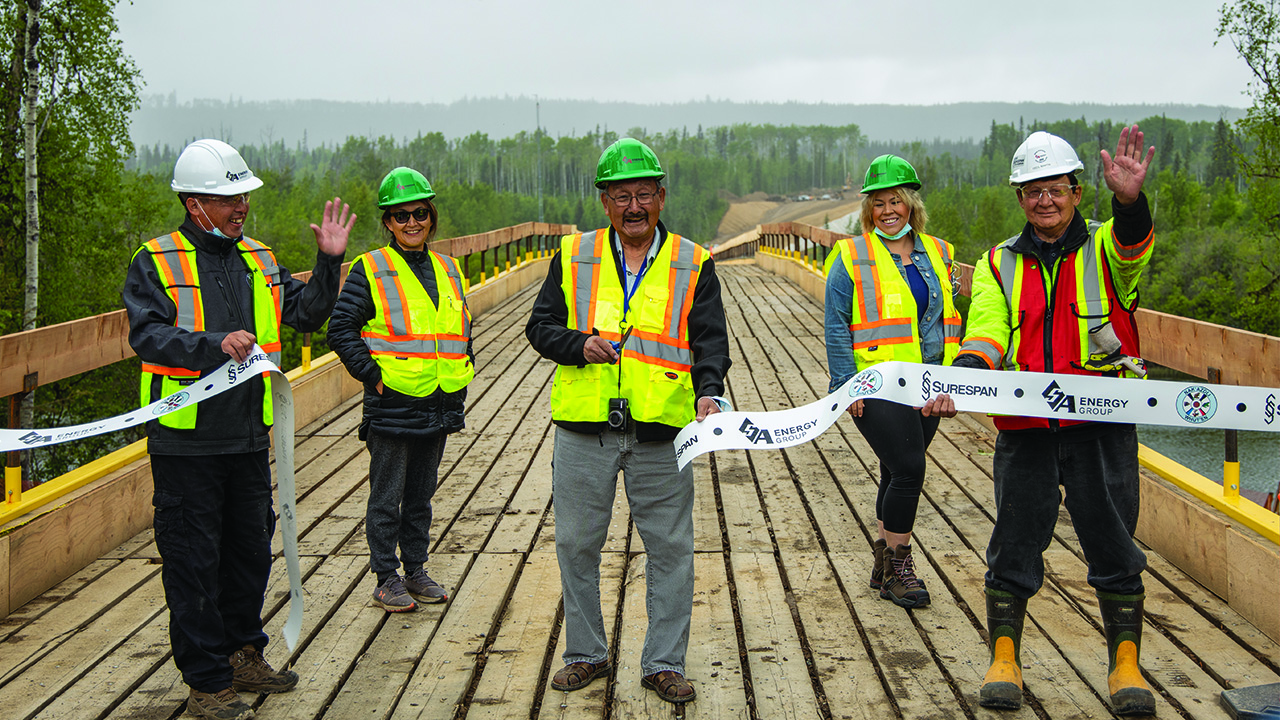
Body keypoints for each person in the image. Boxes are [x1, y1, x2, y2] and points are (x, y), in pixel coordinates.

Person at [124, 139, 353, 720]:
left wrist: (329, 263)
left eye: (242, 196)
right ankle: (206, 681)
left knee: (249, 553)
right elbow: (147, 335)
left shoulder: (260, 257)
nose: (240, 207)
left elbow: (304, 315)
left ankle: (244, 654)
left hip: (251, 436)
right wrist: (211, 346)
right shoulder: (157, 259)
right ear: (194, 202)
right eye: (227, 199)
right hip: (187, 443)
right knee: (193, 561)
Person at [952, 126, 1156, 715]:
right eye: (1032, 190)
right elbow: (986, 331)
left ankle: (1125, 667)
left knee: (1114, 543)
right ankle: (1005, 659)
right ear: (1020, 198)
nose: (1045, 200)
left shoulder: (1106, 250)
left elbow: (1134, 242)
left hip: (1104, 427)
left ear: (1075, 190)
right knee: (1014, 543)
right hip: (1026, 432)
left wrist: (1129, 201)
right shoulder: (997, 262)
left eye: (1056, 188)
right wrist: (964, 372)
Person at [525, 138, 731, 705]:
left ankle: (663, 663)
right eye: (622, 196)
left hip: (661, 432)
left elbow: (710, 343)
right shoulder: (573, 255)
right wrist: (577, 345)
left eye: (644, 194)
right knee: (575, 544)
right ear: (604, 202)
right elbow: (539, 328)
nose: (633, 206)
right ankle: (586, 654)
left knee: (670, 549)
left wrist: (709, 394)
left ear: (661, 197)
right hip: (583, 428)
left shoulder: (694, 262)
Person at [328, 167, 472, 613]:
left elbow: (460, 328)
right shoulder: (370, 268)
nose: (412, 223)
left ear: (431, 216)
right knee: (386, 496)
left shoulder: (449, 268)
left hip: (440, 400)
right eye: (401, 216)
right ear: (388, 222)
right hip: (392, 403)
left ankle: (415, 568)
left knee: (421, 494)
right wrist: (373, 377)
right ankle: (385, 575)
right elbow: (341, 330)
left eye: (420, 213)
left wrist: (463, 366)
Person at [824, 155, 959, 609]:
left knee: (893, 468)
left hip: (929, 382)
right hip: (875, 384)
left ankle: (882, 566)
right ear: (868, 209)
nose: (888, 210)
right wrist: (845, 385)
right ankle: (902, 565)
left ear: (911, 204)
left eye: (895, 200)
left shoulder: (939, 251)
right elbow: (837, 324)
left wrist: (953, 378)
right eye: (878, 202)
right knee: (909, 468)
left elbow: (946, 318)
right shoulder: (850, 255)